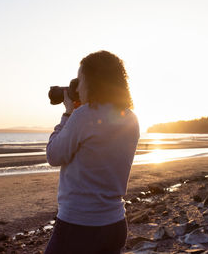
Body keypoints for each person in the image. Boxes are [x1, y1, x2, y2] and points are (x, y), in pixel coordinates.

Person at [45, 50, 140, 254]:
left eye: (80, 80)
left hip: (78, 224)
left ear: (93, 81)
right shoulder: (131, 118)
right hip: (114, 222)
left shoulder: (83, 116)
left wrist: (67, 113)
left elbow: (53, 155)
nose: (77, 88)